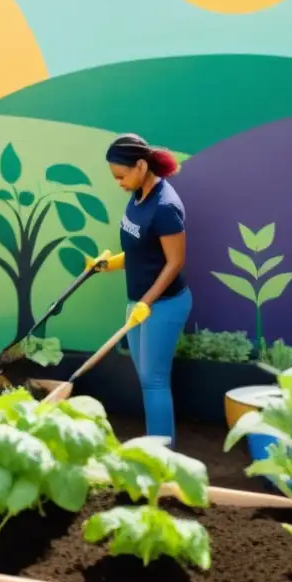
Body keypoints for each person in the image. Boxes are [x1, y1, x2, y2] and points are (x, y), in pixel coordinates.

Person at [89, 133, 190, 443]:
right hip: (139, 302)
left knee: (154, 380)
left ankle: (162, 454)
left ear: (141, 166)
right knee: (146, 377)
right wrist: (108, 264)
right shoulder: (137, 195)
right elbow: (139, 250)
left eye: (121, 175)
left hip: (164, 304)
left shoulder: (165, 206)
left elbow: (175, 262)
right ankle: (156, 442)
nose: (118, 182)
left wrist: (146, 303)